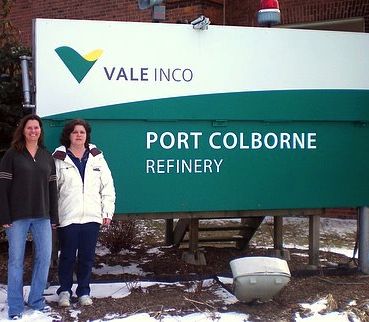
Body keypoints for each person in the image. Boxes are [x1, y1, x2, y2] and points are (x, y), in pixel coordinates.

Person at [0, 114, 59, 320]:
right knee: (16, 261)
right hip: (17, 217)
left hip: (42, 216)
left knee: (44, 258)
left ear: (40, 131)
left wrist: (53, 217)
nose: (33, 131)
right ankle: (15, 307)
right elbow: (3, 187)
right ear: (23, 131)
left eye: (36, 128)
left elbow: (52, 190)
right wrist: (4, 215)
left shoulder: (46, 156)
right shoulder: (12, 155)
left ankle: (36, 300)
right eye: (29, 128)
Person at [53, 119, 115, 307]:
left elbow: (108, 187)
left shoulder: (97, 158)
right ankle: (64, 291)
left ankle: (84, 292)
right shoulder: (59, 158)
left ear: (87, 135)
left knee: (87, 257)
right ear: (68, 135)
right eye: (75, 132)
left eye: (82, 132)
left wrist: (107, 212)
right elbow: (53, 190)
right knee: (67, 256)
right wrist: (53, 216)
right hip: (68, 216)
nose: (79, 135)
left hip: (91, 216)